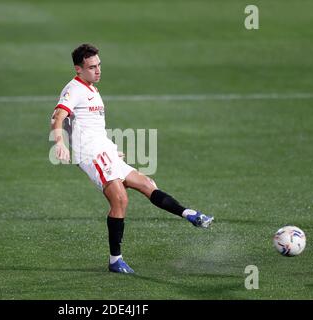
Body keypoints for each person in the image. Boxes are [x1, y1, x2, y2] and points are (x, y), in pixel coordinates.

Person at [50, 43, 214, 274]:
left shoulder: (92, 88)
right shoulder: (74, 89)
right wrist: (60, 144)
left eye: (99, 65)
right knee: (120, 200)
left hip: (104, 150)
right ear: (78, 69)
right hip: (91, 154)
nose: (98, 70)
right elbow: (58, 118)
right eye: (91, 67)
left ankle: (191, 215)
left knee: (147, 184)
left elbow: (89, 125)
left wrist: (109, 149)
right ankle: (115, 260)